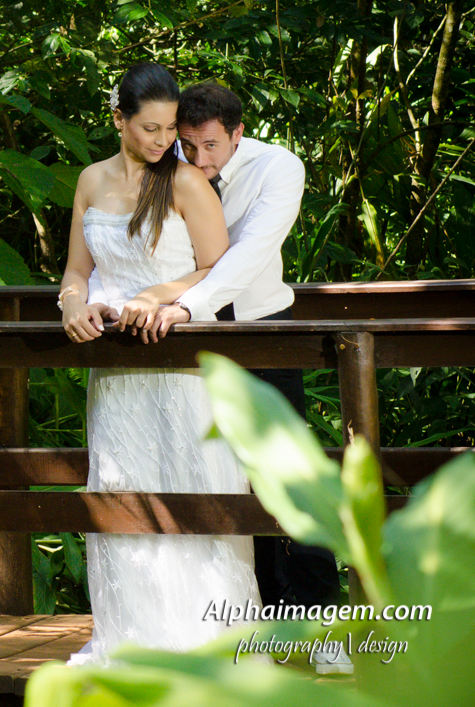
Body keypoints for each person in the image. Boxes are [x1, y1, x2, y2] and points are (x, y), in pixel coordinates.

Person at [132, 81, 350, 674]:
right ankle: (254, 625)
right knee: (214, 477)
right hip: (183, 341)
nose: (198, 162)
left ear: (237, 133)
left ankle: (322, 627)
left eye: (209, 147)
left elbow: (249, 253)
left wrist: (187, 306)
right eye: (188, 147)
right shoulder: (164, 162)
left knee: (290, 476)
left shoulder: (278, 167)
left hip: (259, 329)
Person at [58, 63, 262, 665]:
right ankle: (132, 640)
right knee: (123, 488)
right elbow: (77, 269)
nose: (163, 141)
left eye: (170, 128)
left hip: (178, 363)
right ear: (118, 119)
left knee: (194, 484)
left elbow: (215, 271)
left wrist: (157, 296)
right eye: (150, 128)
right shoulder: (91, 180)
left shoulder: (185, 184)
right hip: (116, 372)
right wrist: (73, 305)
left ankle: (214, 641)